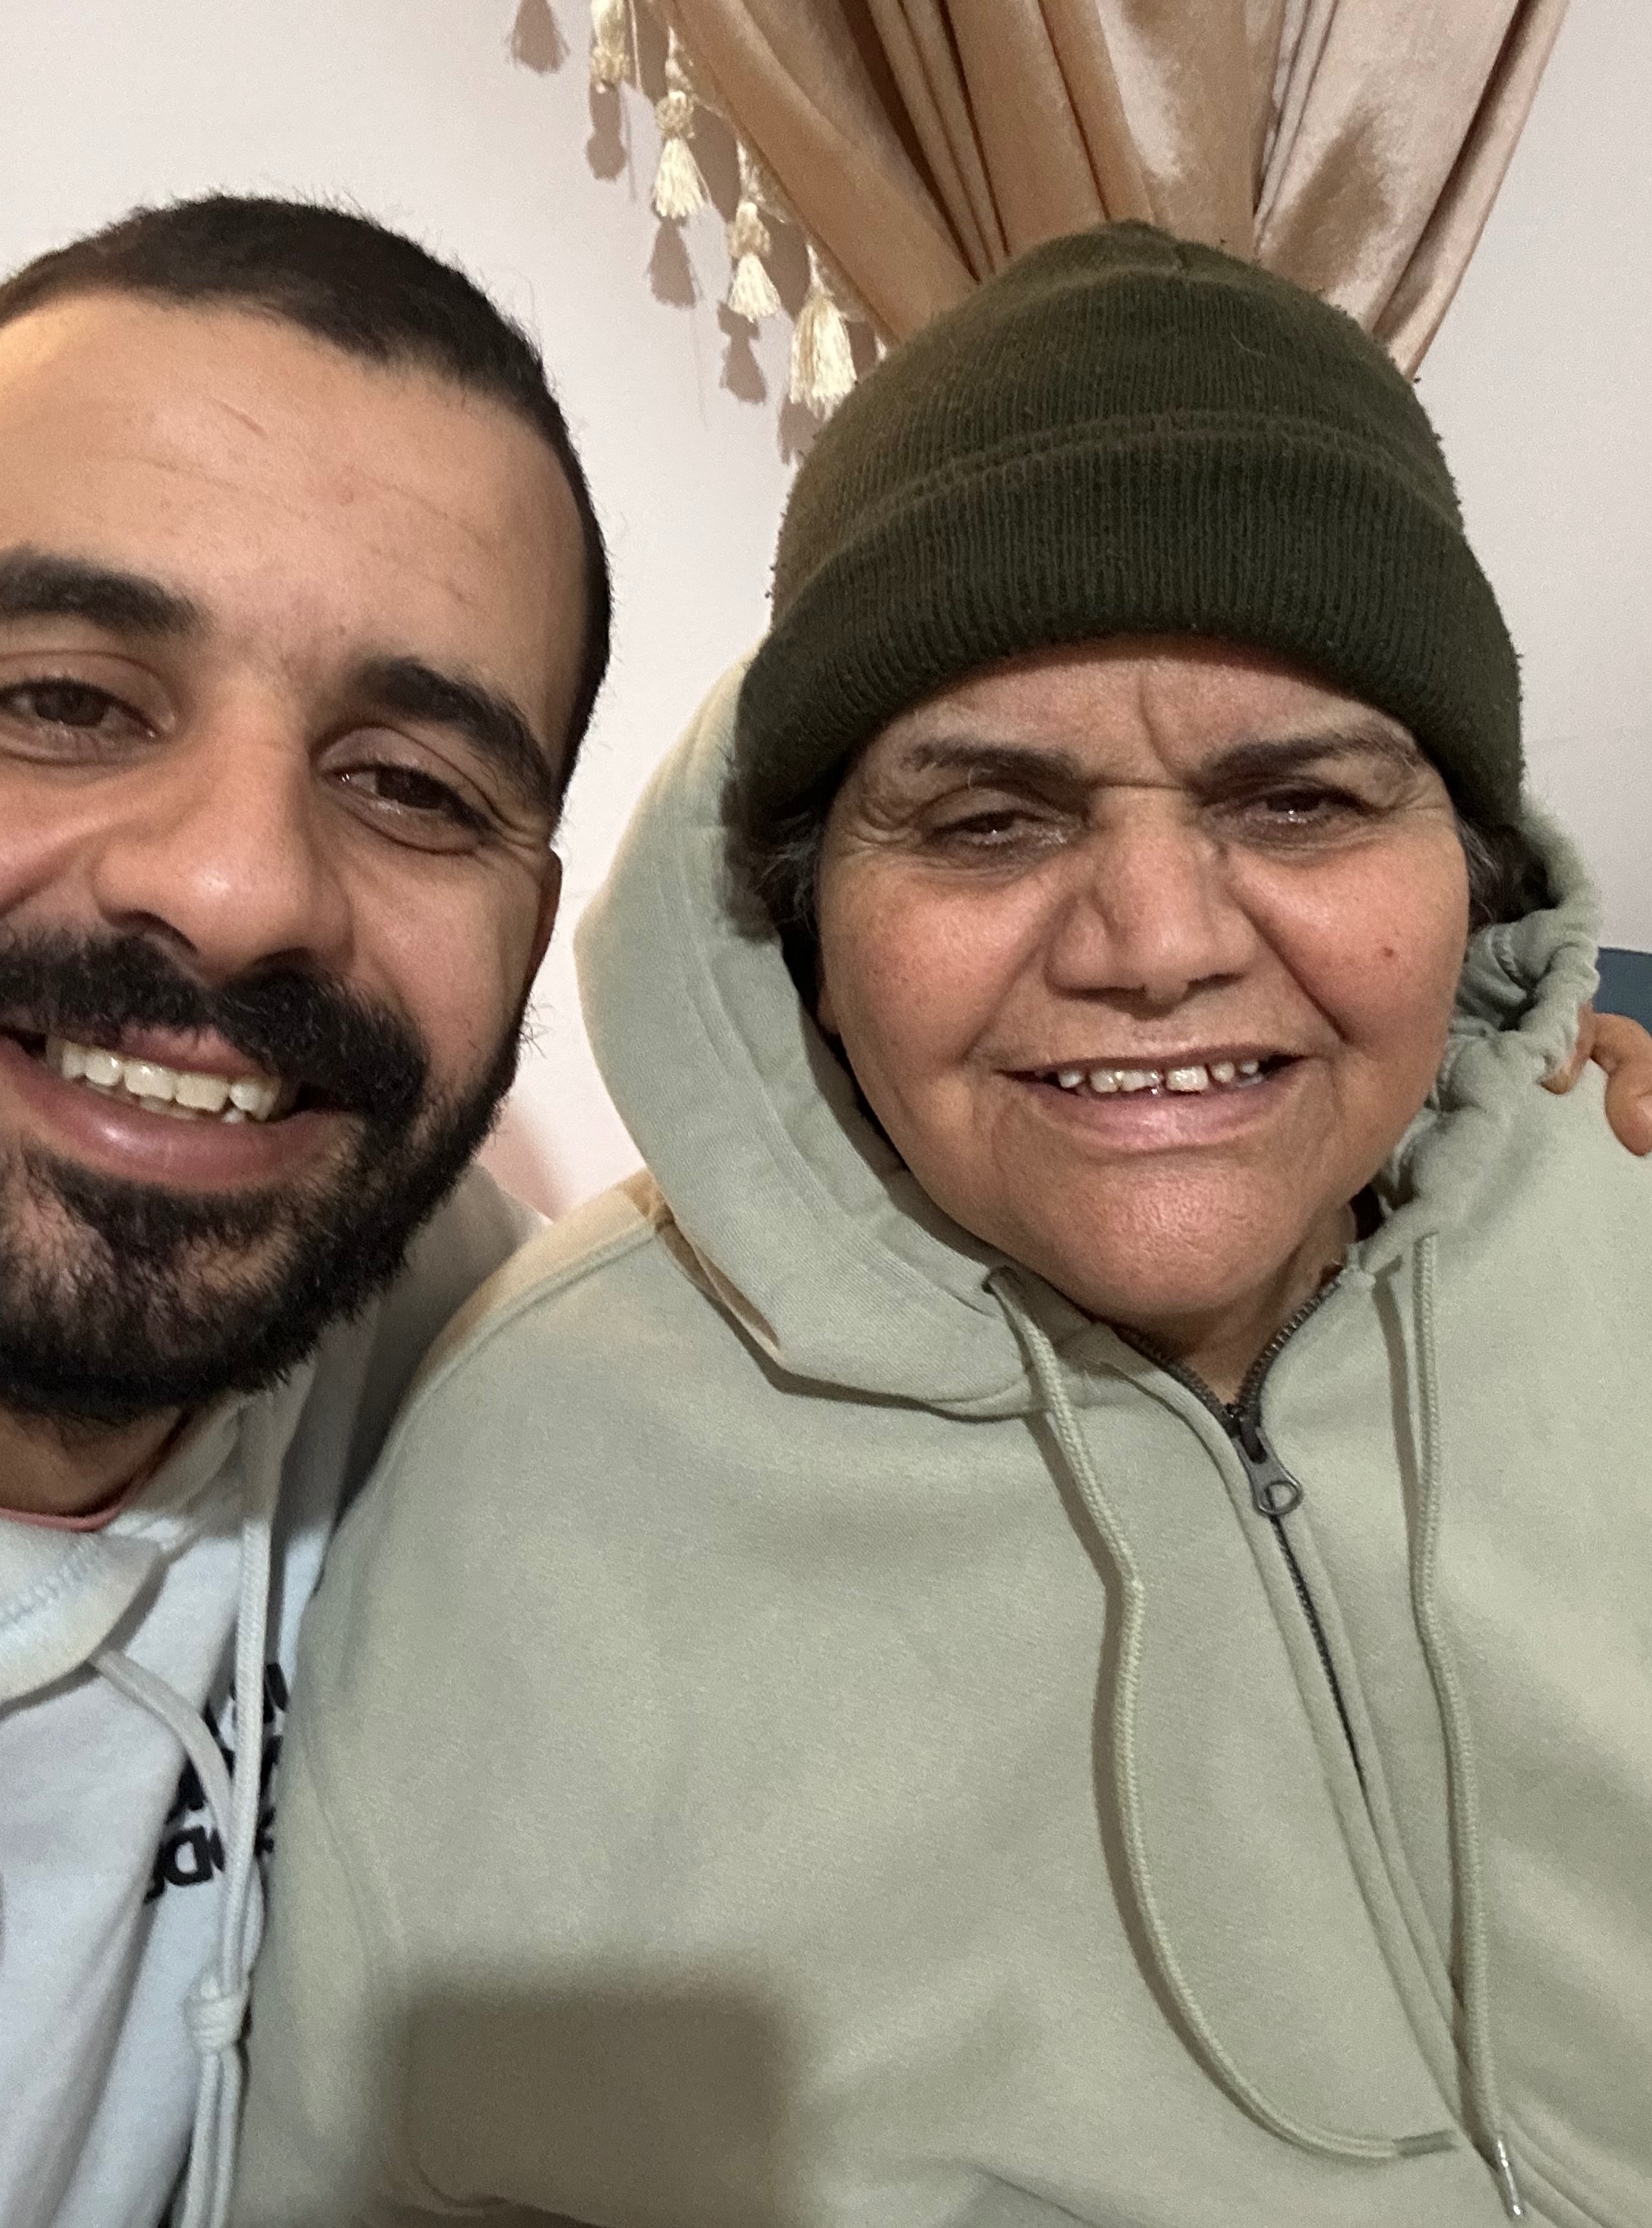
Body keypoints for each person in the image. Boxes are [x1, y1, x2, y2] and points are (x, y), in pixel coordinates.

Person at [236, 226, 1652, 2228]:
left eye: (1302, 804)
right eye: (989, 821)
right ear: (810, 915)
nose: (1156, 943)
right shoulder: (531, 1490)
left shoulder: (1622, 1216)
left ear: (1472, 873)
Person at [0, 194, 608, 2228]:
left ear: (532, 926)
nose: (241, 887)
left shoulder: (498, 1376)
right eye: (63, 700)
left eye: (415, 786)